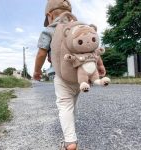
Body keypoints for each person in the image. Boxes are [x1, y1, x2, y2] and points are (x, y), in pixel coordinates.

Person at [33, 0, 106, 150]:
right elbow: (92, 49)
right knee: (72, 105)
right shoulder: (78, 27)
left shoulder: (50, 30)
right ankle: (71, 132)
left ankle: (70, 141)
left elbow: (41, 53)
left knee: (64, 105)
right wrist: (100, 65)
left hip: (61, 76)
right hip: (81, 76)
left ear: (49, 15)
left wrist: (37, 71)